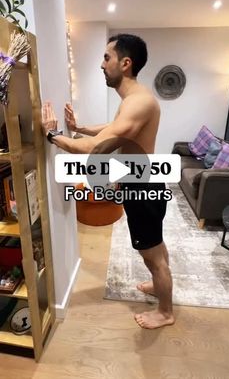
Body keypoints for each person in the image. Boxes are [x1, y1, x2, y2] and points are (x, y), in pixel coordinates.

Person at [41, 33, 174, 329]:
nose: (102, 65)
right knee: (154, 245)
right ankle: (158, 284)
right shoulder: (133, 100)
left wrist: (52, 135)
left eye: (106, 58)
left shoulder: (139, 102)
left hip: (142, 186)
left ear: (125, 63)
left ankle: (165, 312)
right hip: (139, 179)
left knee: (152, 255)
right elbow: (113, 129)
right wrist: (79, 127)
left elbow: (96, 148)